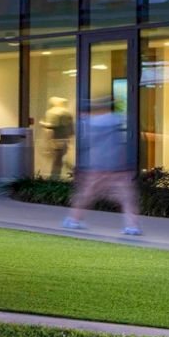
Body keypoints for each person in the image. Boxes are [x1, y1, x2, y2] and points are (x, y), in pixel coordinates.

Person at [66, 96, 141, 236]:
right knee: (127, 197)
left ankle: (74, 219)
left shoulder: (89, 124)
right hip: (118, 167)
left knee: (86, 194)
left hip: (97, 166)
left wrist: (81, 168)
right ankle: (132, 226)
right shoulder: (117, 120)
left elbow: (86, 146)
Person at [42, 95, 75, 181]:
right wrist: (70, 140)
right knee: (59, 159)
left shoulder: (52, 112)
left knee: (57, 160)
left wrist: (42, 123)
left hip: (56, 139)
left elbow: (52, 126)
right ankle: (74, 171)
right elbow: (71, 129)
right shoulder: (67, 113)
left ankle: (54, 178)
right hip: (64, 139)